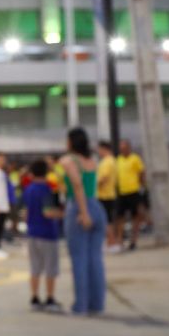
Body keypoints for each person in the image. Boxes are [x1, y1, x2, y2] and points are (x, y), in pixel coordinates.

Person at [60, 127, 107, 315]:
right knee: (95, 258)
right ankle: (97, 303)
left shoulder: (68, 160)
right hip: (97, 206)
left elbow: (77, 185)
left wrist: (83, 212)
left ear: (71, 141)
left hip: (78, 208)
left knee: (79, 259)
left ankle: (80, 305)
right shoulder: (92, 161)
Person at [22, 159, 63, 311]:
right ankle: (50, 298)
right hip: (47, 233)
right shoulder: (47, 189)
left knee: (35, 268)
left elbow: (25, 214)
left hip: (32, 233)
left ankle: (34, 297)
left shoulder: (28, 189)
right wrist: (62, 214)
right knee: (50, 269)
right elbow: (48, 212)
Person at [115, 139, 145, 250]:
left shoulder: (135, 159)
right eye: (121, 148)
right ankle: (120, 240)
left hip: (133, 191)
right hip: (122, 192)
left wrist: (141, 186)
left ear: (129, 148)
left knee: (135, 217)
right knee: (120, 217)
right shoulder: (118, 160)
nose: (122, 150)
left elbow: (141, 173)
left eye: (124, 148)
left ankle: (133, 240)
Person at [95, 141, 120, 252]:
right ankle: (110, 242)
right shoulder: (111, 161)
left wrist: (92, 186)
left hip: (105, 195)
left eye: (99, 150)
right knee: (107, 220)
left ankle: (112, 242)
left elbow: (103, 178)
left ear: (104, 149)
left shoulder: (107, 162)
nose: (98, 152)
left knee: (105, 221)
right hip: (108, 194)